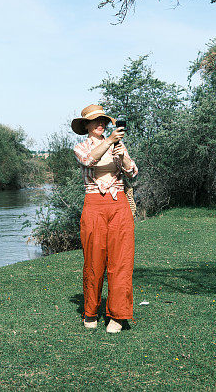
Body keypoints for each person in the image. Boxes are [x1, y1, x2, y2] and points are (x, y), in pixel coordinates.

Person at [71, 104, 138, 333]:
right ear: (86, 126)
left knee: (121, 261)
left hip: (118, 203)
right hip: (93, 204)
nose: (101, 124)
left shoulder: (118, 145)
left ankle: (117, 316)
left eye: (103, 121)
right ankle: (90, 311)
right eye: (95, 121)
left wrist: (124, 159)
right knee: (93, 259)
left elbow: (133, 172)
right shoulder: (80, 147)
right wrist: (108, 142)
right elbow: (89, 161)